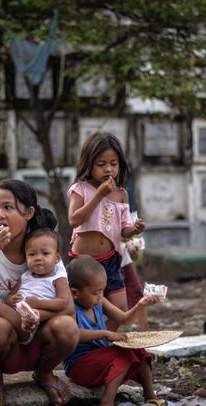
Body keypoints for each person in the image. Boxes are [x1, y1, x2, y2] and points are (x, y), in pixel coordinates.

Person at [0, 179, 79, 406]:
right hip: (2, 345)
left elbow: (67, 307)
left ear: (28, 212)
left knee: (68, 326)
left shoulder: (45, 249)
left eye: (8, 207)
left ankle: (44, 373)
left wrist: (36, 316)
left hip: (40, 342)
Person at [67, 132, 145, 329]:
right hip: (84, 261)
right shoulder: (81, 188)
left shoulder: (121, 194)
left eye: (113, 163)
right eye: (101, 164)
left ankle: (103, 342)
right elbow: (74, 220)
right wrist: (99, 195)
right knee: (86, 306)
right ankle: (88, 344)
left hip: (111, 259)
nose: (108, 169)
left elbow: (124, 231)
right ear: (89, 164)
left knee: (120, 308)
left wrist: (133, 230)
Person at [63, 255, 164, 406]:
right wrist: (106, 334)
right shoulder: (70, 309)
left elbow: (124, 319)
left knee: (138, 348)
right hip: (79, 367)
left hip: (101, 360)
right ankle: (107, 401)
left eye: (102, 291)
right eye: (95, 292)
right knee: (122, 355)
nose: (100, 296)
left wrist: (140, 305)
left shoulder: (99, 302)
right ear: (75, 293)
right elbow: (75, 334)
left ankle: (149, 395)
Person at [121, 238, 148, 330]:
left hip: (123, 259)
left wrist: (129, 243)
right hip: (105, 259)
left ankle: (145, 333)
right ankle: (104, 336)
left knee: (137, 292)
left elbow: (124, 228)